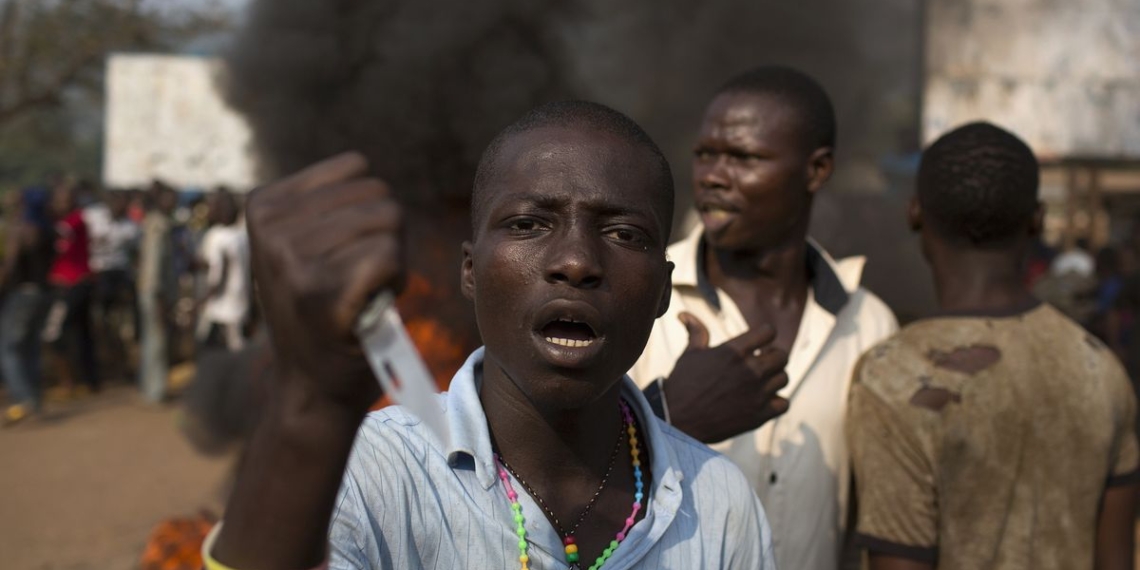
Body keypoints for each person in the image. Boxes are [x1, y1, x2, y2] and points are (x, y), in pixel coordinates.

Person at [204, 101, 775, 569]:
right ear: (471, 271)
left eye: (624, 233)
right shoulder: (366, 472)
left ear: (664, 290)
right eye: (528, 224)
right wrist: (310, 403)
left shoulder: (720, 504)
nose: (576, 260)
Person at [628, 65, 898, 570]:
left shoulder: (871, 326)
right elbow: (561, 470)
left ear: (816, 171)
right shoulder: (637, 294)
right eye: (705, 155)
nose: (712, 175)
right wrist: (663, 416)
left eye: (744, 158)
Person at [847, 122, 1139, 570]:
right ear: (1038, 219)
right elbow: (1116, 560)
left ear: (914, 214)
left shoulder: (893, 376)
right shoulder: (1099, 367)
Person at [0, 188, 56, 424]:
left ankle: (24, 402)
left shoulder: (22, 230)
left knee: (9, 350)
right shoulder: (48, 228)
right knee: (31, 350)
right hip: (43, 294)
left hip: (22, 295)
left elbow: (9, 267)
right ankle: (35, 403)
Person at [45, 181, 99, 395]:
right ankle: (90, 379)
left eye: (63, 200)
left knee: (54, 334)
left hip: (73, 284)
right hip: (80, 282)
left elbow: (59, 243)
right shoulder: (74, 221)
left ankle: (69, 383)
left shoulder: (72, 222)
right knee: (82, 333)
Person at [86, 190, 141, 380]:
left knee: (123, 329)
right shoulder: (91, 217)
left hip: (119, 277)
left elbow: (136, 255)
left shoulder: (131, 227)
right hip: (95, 276)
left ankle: (125, 368)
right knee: (97, 324)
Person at [137, 183, 180, 403]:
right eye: (170, 198)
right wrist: (158, 296)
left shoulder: (158, 223)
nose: (173, 202)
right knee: (158, 341)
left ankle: (149, 387)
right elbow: (153, 266)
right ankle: (155, 391)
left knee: (151, 340)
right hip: (156, 293)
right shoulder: (158, 226)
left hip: (152, 292)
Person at [195, 190, 250, 352]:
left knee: (212, 349)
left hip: (220, 307)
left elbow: (219, 273)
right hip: (239, 302)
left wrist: (203, 301)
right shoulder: (242, 236)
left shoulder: (216, 236)